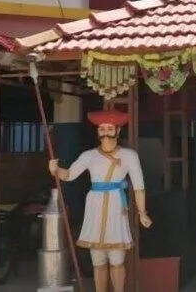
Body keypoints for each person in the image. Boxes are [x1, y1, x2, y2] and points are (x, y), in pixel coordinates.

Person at [49, 110, 151, 292]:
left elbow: (139, 186)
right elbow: (69, 175)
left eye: (109, 129)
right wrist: (55, 170)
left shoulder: (129, 155)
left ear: (118, 131)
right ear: (97, 131)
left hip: (116, 207)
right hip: (94, 206)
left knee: (117, 260)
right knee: (98, 261)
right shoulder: (88, 155)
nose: (105, 133)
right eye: (102, 129)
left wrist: (142, 212)